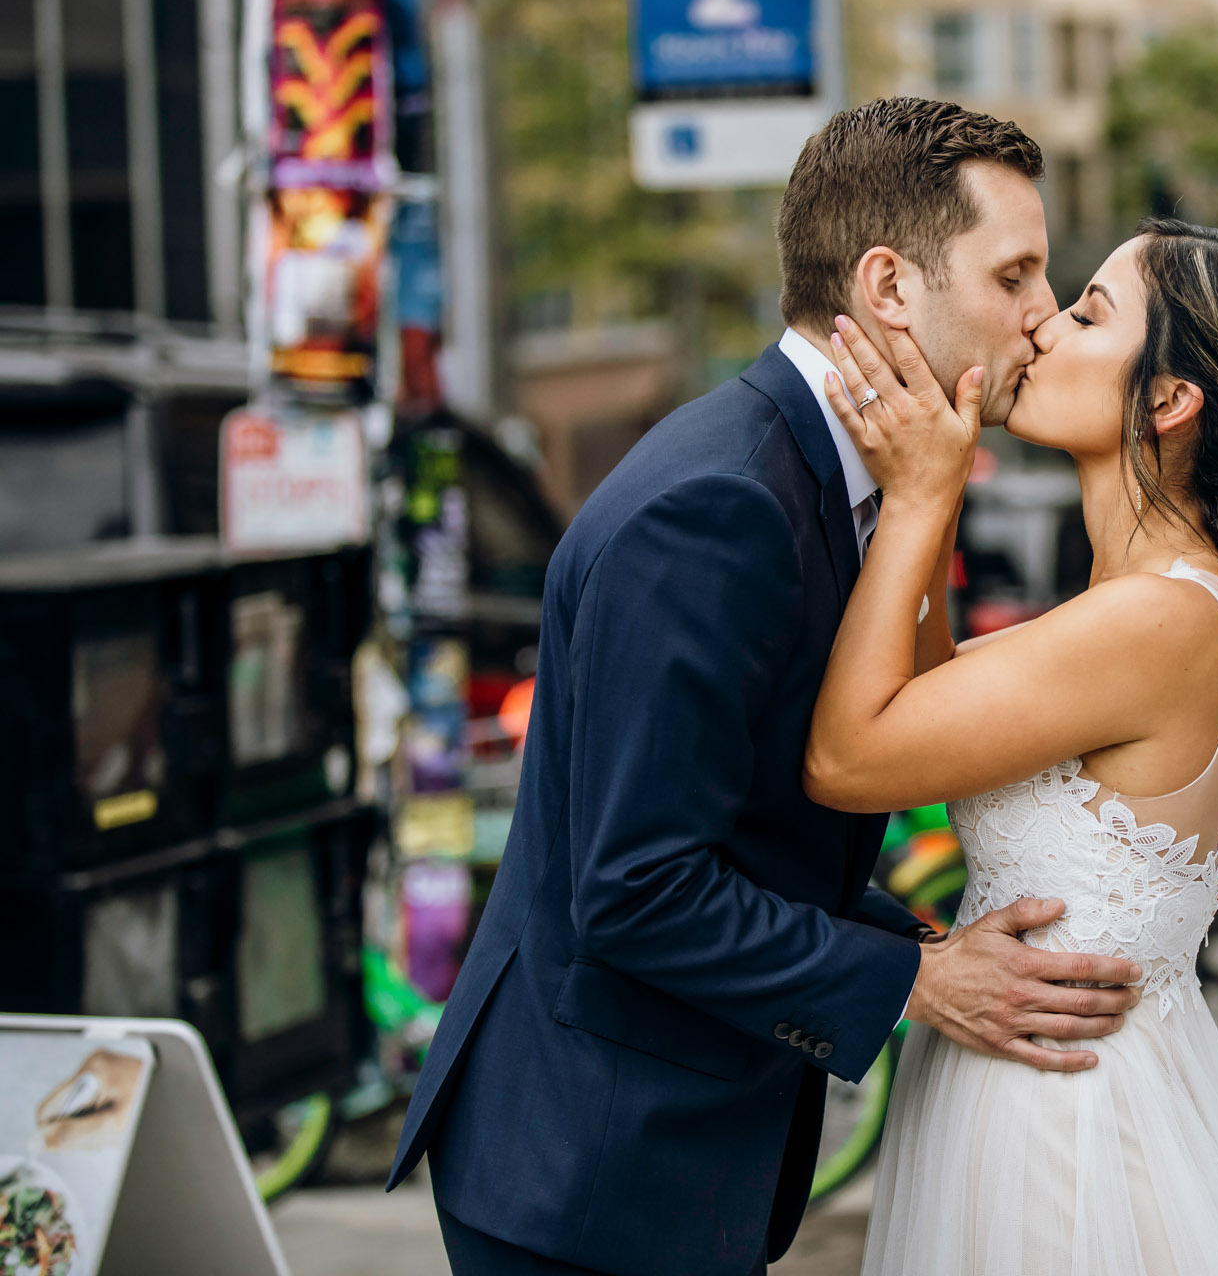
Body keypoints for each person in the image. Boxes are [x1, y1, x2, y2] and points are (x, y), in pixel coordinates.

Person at [385, 99, 1149, 1276]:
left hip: (664, 1151)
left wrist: (928, 940)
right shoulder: (722, 506)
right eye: (1016, 274)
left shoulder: (828, 475)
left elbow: (758, 834)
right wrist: (915, 981)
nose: (1043, 315)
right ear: (891, 288)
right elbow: (638, 889)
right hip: (589, 1168)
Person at [806, 217, 1218, 1275]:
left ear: (1169, 402)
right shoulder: (1162, 600)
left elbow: (850, 760)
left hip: (1066, 1133)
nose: (1042, 319)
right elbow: (940, 715)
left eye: (1087, 311)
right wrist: (934, 507)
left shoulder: (1160, 621)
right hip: (1044, 1079)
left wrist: (919, 498)